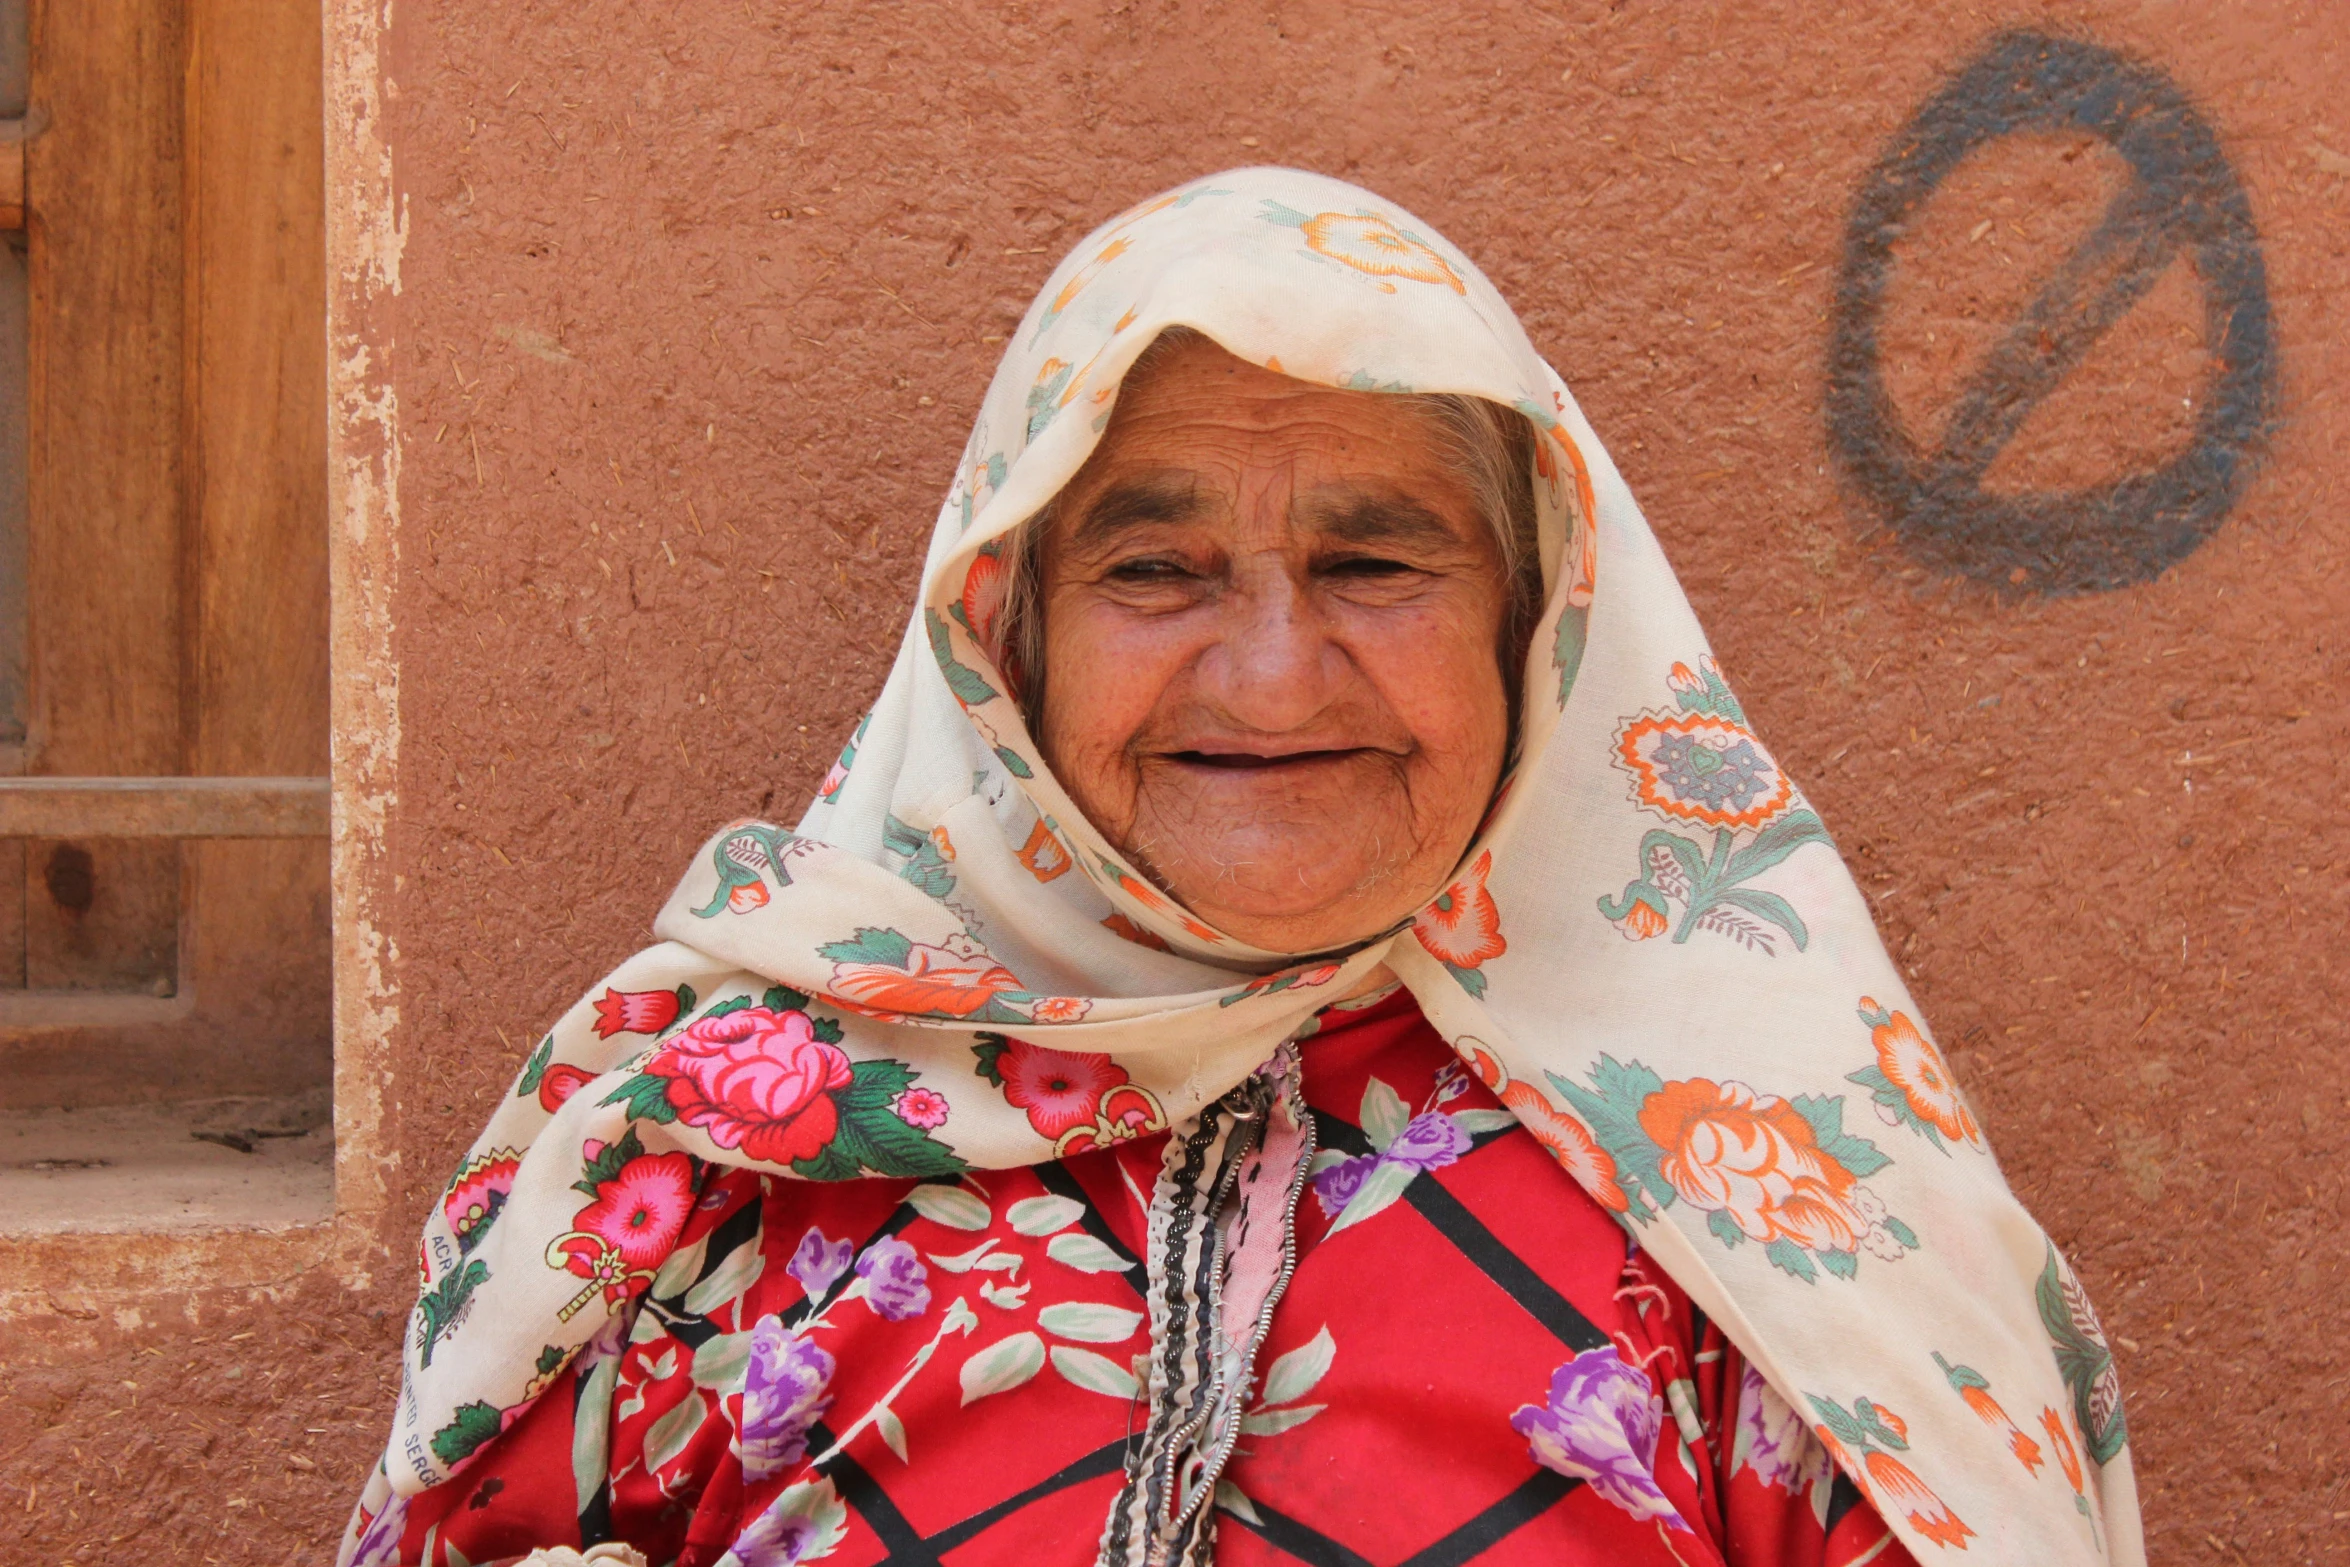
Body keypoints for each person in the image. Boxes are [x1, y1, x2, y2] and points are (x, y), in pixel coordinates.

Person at [340, 168, 2143, 1567]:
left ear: (1537, 630)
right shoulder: (712, 1140)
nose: (1273, 676)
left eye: (1376, 563)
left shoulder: (1785, 1198)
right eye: (1153, 571)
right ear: (1003, 643)